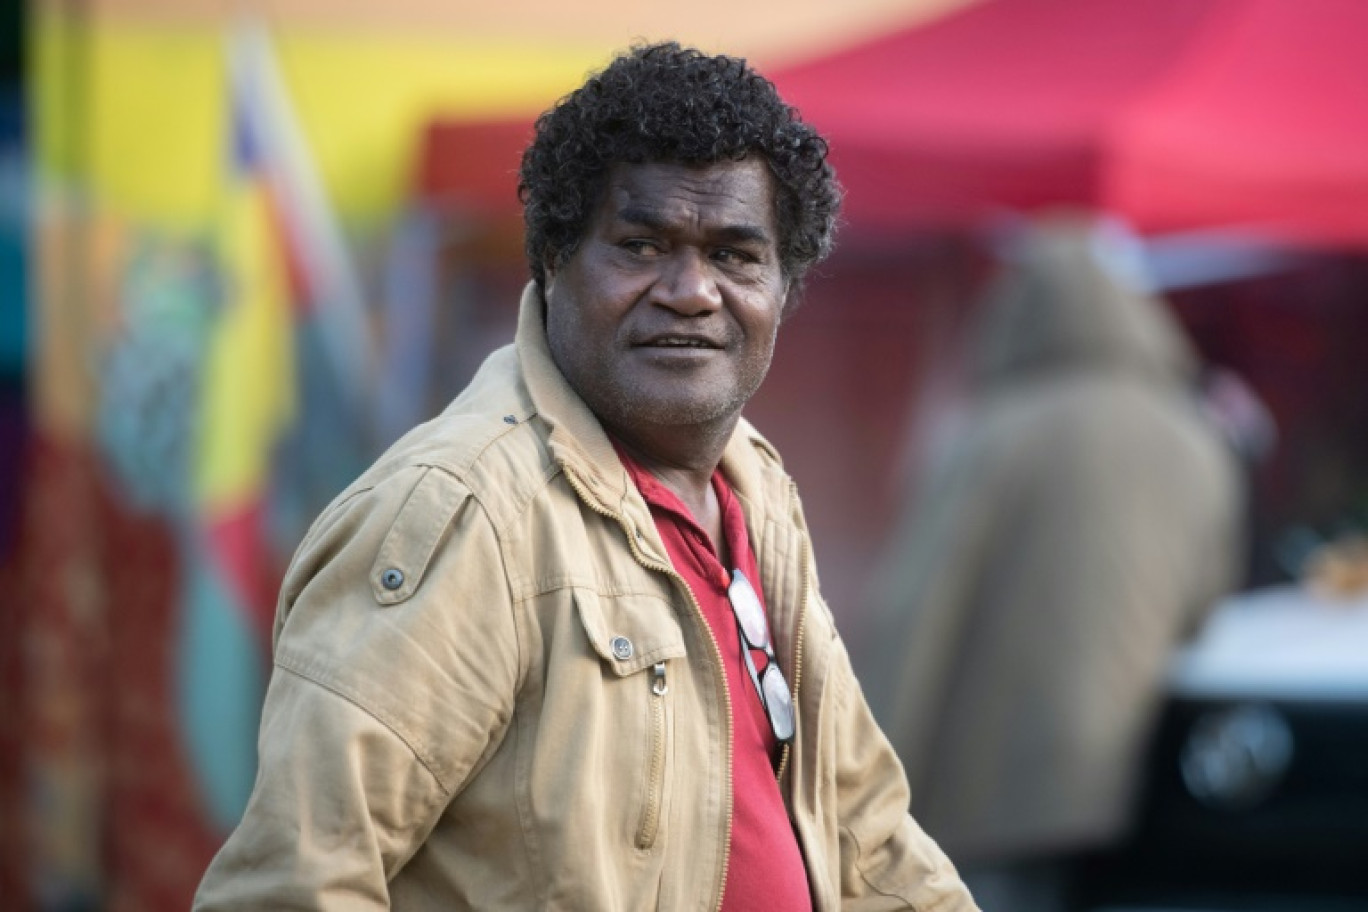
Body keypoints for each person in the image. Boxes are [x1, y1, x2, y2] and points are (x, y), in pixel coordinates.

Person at [194, 42, 979, 911]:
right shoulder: (465, 512)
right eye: (642, 246)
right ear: (554, 259)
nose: (691, 290)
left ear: (783, 288)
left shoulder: (754, 494)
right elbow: (294, 883)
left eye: (733, 255)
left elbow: (864, 835)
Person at [855, 219, 1247, 912]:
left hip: (991, 791)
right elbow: (1207, 612)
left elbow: (916, 614)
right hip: (1142, 786)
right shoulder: (1196, 438)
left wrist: (859, 781)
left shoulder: (996, 435)